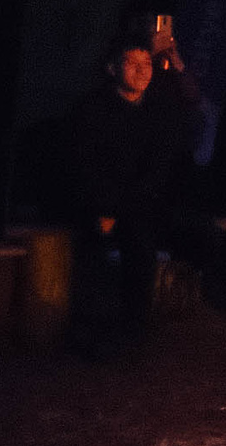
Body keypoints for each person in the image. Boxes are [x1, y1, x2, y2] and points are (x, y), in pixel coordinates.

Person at [73, 29, 203, 340]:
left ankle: (160, 317)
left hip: (143, 202)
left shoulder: (157, 109)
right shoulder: (94, 109)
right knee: (119, 245)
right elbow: (85, 168)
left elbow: (191, 104)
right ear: (112, 68)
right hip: (104, 203)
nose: (142, 69)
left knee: (203, 232)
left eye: (147, 63)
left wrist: (176, 63)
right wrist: (106, 208)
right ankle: (103, 330)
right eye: (131, 63)